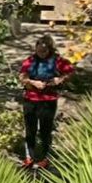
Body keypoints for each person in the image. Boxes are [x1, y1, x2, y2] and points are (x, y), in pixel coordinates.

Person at [18, 34, 73, 168]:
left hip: (48, 100)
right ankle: (29, 157)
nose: (41, 53)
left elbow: (70, 73)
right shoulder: (30, 61)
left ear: (49, 50)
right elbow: (22, 77)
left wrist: (59, 80)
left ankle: (44, 158)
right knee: (30, 129)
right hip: (30, 99)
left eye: (44, 51)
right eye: (38, 50)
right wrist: (33, 82)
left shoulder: (57, 61)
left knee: (45, 130)